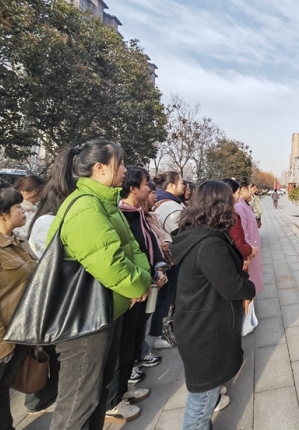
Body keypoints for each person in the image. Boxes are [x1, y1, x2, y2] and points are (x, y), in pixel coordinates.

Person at [48, 140, 152, 430]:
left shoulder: (105, 203)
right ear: (100, 168)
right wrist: (139, 285)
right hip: (84, 320)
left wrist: (142, 279)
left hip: (106, 311)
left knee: (96, 394)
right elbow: (111, 263)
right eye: (120, 164)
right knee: (78, 404)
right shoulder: (85, 208)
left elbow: (131, 247)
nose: (125, 170)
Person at [172, 180, 256, 429]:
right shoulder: (209, 244)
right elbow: (232, 286)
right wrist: (249, 288)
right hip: (205, 331)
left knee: (204, 394)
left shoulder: (196, 234)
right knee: (202, 402)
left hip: (198, 322)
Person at [105, 167, 167, 423]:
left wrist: (158, 268)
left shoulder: (139, 214)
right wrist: (137, 283)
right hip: (129, 292)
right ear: (133, 188)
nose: (150, 189)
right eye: (145, 184)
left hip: (144, 285)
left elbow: (148, 246)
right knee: (122, 346)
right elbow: (124, 255)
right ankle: (112, 402)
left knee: (132, 341)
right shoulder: (120, 214)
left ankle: (123, 391)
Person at [24, 151, 78, 414]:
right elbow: (60, 257)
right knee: (48, 352)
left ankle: (47, 395)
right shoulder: (46, 222)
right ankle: (38, 399)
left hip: (57, 294)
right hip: (51, 294)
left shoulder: (50, 220)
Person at [0, 188, 36, 430]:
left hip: (17, 332)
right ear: (0, 215)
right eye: (18, 207)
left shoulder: (16, 241)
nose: (24, 210)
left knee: (0, 389)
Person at [145, 181, 178, 351]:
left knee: (165, 298)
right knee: (162, 299)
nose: (155, 196)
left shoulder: (150, 215)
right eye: (151, 192)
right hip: (155, 267)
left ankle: (161, 332)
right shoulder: (138, 217)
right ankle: (157, 334)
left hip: (165, 263)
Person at [235, 177, 264, 296]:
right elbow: (243, 232)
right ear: (243, 189)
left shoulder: (245, 204)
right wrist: (248, 251)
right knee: (250, 282)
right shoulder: (239, 207)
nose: (252, 191)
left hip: (253, 248)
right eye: (249, 188)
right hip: (249, 250)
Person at [223, 179, 257, 273]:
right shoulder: (232, 215)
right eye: (238, 193)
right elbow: (239, 240)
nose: (239, 195)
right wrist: (249, 250)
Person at [13, 174, 46, 242]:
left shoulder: (35, 209)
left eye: (41, 194)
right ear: (22, 191)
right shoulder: (14, 209)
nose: (39, 198)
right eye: (36, 194)